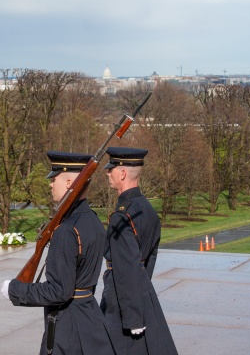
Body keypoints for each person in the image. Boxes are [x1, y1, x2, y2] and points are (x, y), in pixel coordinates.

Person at [1, 151, 115, 355]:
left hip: (67, 329)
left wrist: (14, 290)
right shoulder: (93, 221)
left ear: (71, 182)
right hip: (91, 319)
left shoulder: (66, 231)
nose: (51, 185)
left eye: (55, 180)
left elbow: (58, 291)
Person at [99, 146, 178, 355]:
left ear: (122, 173)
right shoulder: (147, 209)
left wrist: (133, 316)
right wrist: (141, 292)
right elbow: (148, 260)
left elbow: (126, 268)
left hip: (120, 300)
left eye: (111, 169)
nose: (108, 173)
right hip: (141, 292)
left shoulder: (121, 217)